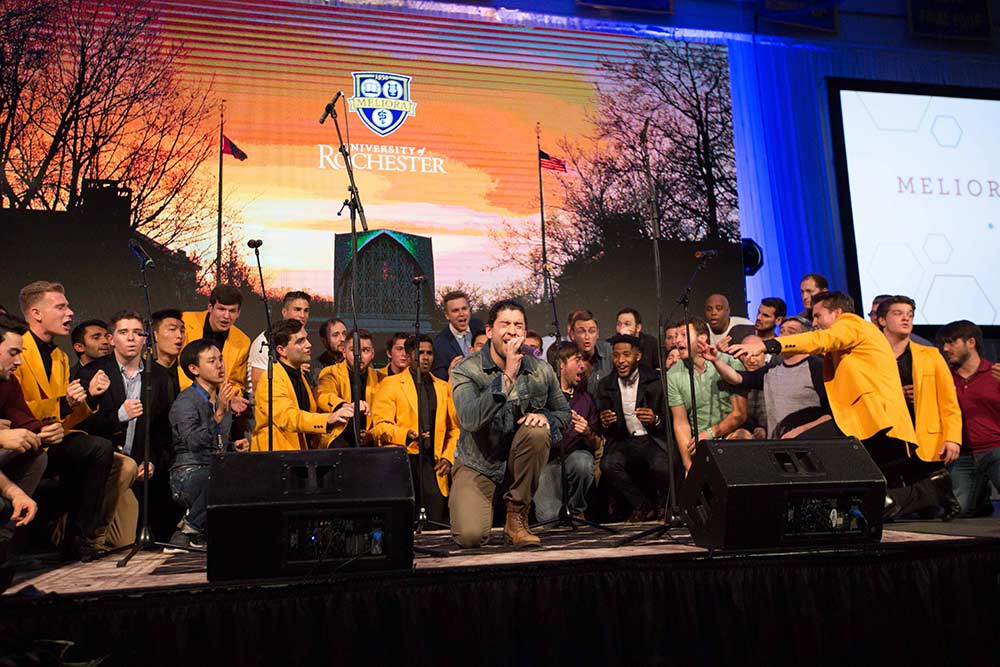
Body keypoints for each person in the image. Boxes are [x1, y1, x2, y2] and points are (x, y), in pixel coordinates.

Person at [729, 291, 961, 520]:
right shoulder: (858, 335)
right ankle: (929, 488)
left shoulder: (851, 324)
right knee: (864, 489)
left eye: (819, 316)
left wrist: (767, 345)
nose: (815, 322)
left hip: (872, 420)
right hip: (867, 422)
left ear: (837, 312)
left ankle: (811, 511)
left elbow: (820, 340)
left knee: (803, 449)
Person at [449, 299, 570, 548]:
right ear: (489, 330)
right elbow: (470, 419)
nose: (512, 331)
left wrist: (546, 417)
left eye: (518, 325)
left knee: (537, 431)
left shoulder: (541, 369)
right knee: (470, 536)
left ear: (525, 332)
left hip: (520, 461)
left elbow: (564, 414)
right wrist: (507, 378)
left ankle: (516, 518)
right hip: (480, 462)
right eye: (505, 324)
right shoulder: (466, 370)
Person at [14, 282, 117, 560]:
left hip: (54, 437)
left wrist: (90, 399)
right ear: (36, 313)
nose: (70, 313)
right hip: (22, 438)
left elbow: (68, 415)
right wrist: (62, 403)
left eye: (68, 306)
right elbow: (15, 410)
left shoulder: (59, 356)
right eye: (60, 307)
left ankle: (77, 540)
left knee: (99, 448)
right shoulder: (15, 350)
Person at [77, 310, 178, 542]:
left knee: (123, 542)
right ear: (111, 339)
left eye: (137, 332)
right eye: (123, 332)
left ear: (145, 338)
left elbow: (162, 430)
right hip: (101, 466)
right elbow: (81, 425)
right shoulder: (92, 372)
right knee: (99, 537)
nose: (131, 338)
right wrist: (119, 416)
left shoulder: (160, 377)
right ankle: (75, 531)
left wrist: (150, 459)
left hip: (137, 468)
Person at [167, 340, 250, 550]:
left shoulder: (220, 399)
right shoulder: (185, 401)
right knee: (224, 477)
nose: (220, 365)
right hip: (188, 473)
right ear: (194, 369)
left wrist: (232, 446)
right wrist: (220, 413)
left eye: (220, 359)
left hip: (214, 468)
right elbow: (193, 442)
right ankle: (189, 527)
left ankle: (198, 533)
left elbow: (216, 442)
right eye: (212, 361)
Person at [370, 334, 459, 524]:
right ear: (409, 356)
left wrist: (448, 457)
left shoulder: (443, 387)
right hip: (404, 462)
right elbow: (378, 427)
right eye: (420, 353)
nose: (425, 358)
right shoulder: (390, 384)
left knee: (436, 525)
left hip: (434, 465)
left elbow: (455, 429)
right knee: (404, 523)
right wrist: (406, 435)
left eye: (429, 353)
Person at [712, 316, 831, 440]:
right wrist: (715, 359)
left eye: (791, 332)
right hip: (778, 446)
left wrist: (801, 431)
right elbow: (737, 378)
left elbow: (833, 414)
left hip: (810, 445)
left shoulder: (817, 366)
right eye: (782, 331)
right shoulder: (772, 370)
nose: (783, 336)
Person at [596, 335, 671, 521]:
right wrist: (605, 422)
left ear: (637, 356)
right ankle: (642, 505)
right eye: (616, 355)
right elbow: (604, 427)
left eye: (626, 355)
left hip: (652, 439)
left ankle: (663, 506)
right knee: (609, 465)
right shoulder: (605, 385)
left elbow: (670, 420)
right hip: (624, 440)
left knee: (661, 464)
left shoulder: (656, 381)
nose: (620, 361)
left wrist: (655, 420)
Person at [252, 320, 352, 452]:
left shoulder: (299, 375)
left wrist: (342, 407)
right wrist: (327, 419)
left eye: (306, 339)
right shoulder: (271, 379)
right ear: (281, 350)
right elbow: (287, 418)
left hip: (298, 456)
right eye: (300, 341)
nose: (309, 345)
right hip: (276, 460)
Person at [667, 319, 749, 472]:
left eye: (683, 335)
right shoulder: (673, 374)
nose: (676, 340)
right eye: (675, 336)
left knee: (742, 440)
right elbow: (681, 423)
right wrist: (688, 465)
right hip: (699, 442)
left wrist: (710, 433)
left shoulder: (729, 363)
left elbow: (740, 414)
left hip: (729, 434)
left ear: (702, 338)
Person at [0, 315, 49, 566]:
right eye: (12, 353)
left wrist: (44, 431)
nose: (19, 361)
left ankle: (4, 540)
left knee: (35, 452)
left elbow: (21, 419)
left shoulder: (8, 381)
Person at [938, 320, 1000, 516]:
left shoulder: (995, 373)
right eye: (944, 344)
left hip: (996, 449)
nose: (946, 349)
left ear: (971, 342)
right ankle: (980, 502)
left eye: (951, 342)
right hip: (963, 454)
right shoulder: (945, 378)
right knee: (957, 512)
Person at [534, 341, 601, 523]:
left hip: (573, 458)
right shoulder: (542, 397)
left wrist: (587, 432)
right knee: (549, 520)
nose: (582, 366)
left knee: (583, 462)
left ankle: (577, 509)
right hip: (545, 464)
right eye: (577, 360)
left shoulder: (585, 399)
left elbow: (596, 445)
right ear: (561, 364)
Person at [180, 285, 250, 415]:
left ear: (238, 313)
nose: (226, 316)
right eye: (221, 309)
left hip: (217, 405)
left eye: (232, 311)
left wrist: (231, 398)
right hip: (181, 397)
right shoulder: (185, 322)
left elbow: (236, 382)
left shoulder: (243, 342)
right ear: (210, 307)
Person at [315, 329, 381, 447]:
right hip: (338, 436)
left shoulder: (380, 378)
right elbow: (324, 396)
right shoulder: (330, 372)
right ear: (344, 352)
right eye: (353, 350)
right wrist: (345, 406)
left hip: (369, 439)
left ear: (373, 353)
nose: (359, 356)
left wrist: (372, 434)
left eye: (365, 350)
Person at [248, 291, 311, 396]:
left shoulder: (302, 337)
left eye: (306, 311)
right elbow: (258, 386)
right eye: (297, 309)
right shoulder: (264, 342)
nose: (302, 315)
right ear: (284, 312)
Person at [432, 290, 484, 380]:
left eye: (464, 309)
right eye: (455, 310)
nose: (461, 314)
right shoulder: (440, 343)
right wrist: (450, 373)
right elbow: (439, 379)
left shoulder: (479, 326)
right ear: (447, 315)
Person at [568, 309, 613, 396]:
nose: (587, 336)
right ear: (572, 335)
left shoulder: (609, 352)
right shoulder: (566, 358)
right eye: (581, 331)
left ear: (597, 334)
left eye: (592, 331)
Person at [151, 308, 186, 402]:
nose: (179, 335)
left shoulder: (187, 371)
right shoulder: (144, 373)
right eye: (172, 329)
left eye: (182, 331)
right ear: (155, 335)